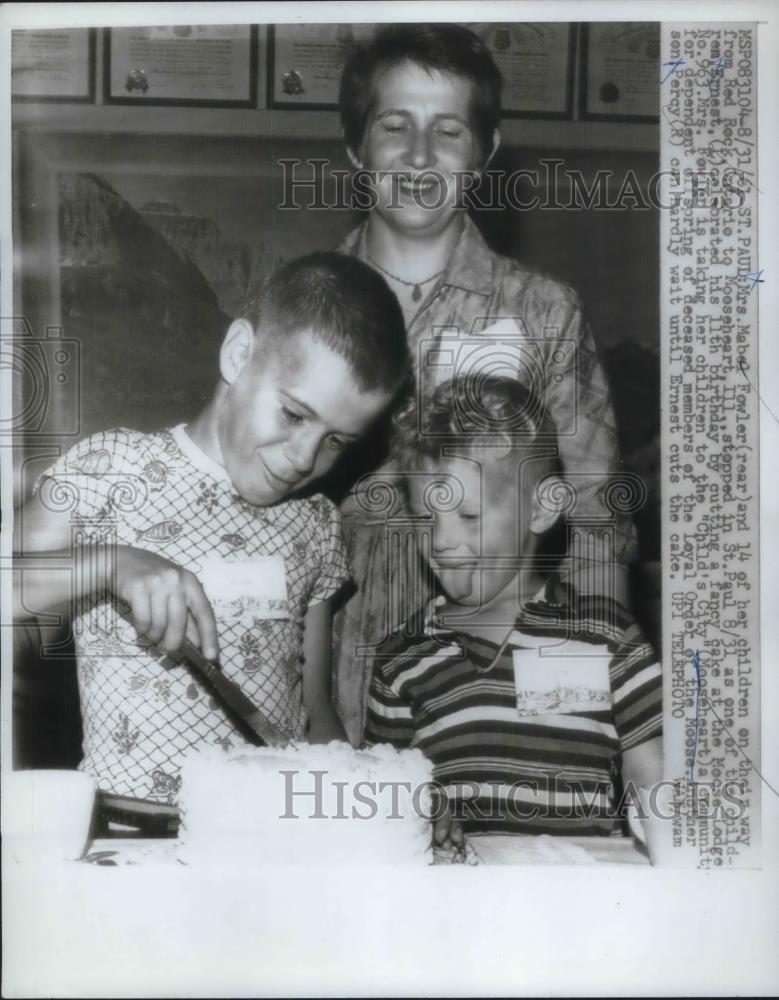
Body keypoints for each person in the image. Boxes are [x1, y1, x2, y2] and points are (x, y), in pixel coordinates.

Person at [332, 23, 638, 744]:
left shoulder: (542, 311)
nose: (417, 155)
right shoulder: (296, 305)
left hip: (489, 707)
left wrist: (576, 718)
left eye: (447, 131)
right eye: (393, 126)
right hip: (319, 694)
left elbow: (596, 522)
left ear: (484, 151)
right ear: (354, 147)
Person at [12, 252, 410, 803]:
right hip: (131, 842)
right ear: (239, 354)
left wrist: (378, 808)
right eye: (294, 415)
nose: (303, 458)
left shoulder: (314, 523)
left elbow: (316, 716)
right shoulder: (106, 470)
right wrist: (111, 562)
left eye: (337, 441)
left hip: (262, 839)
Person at [366, 375, 662, 840]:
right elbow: (381, 802)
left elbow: (654, 782)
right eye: (426, 518)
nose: (442, 541)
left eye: (468, 516)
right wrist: (415, 816)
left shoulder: (607, 637)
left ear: (542, 509)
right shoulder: (400, 660)